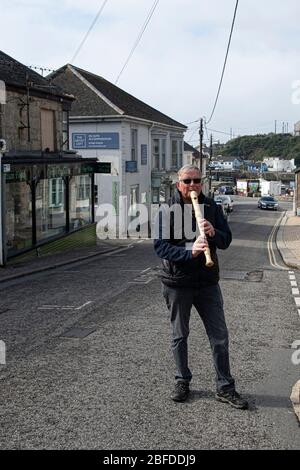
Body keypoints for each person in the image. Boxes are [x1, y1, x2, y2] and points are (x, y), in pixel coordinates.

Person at [154, 164, 248, 409]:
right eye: (187, 181)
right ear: (179, 184)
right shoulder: (167, 209)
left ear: (202, 183)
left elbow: (226, 240)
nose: (193, 185)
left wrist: (213, 232)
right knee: (179, 335)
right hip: (177, 282)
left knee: (219, 337)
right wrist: (190, 251)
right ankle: (182, 380)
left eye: (197, 180)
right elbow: (160, 246)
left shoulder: (212, 207)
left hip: (207, 282)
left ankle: (225, 387)